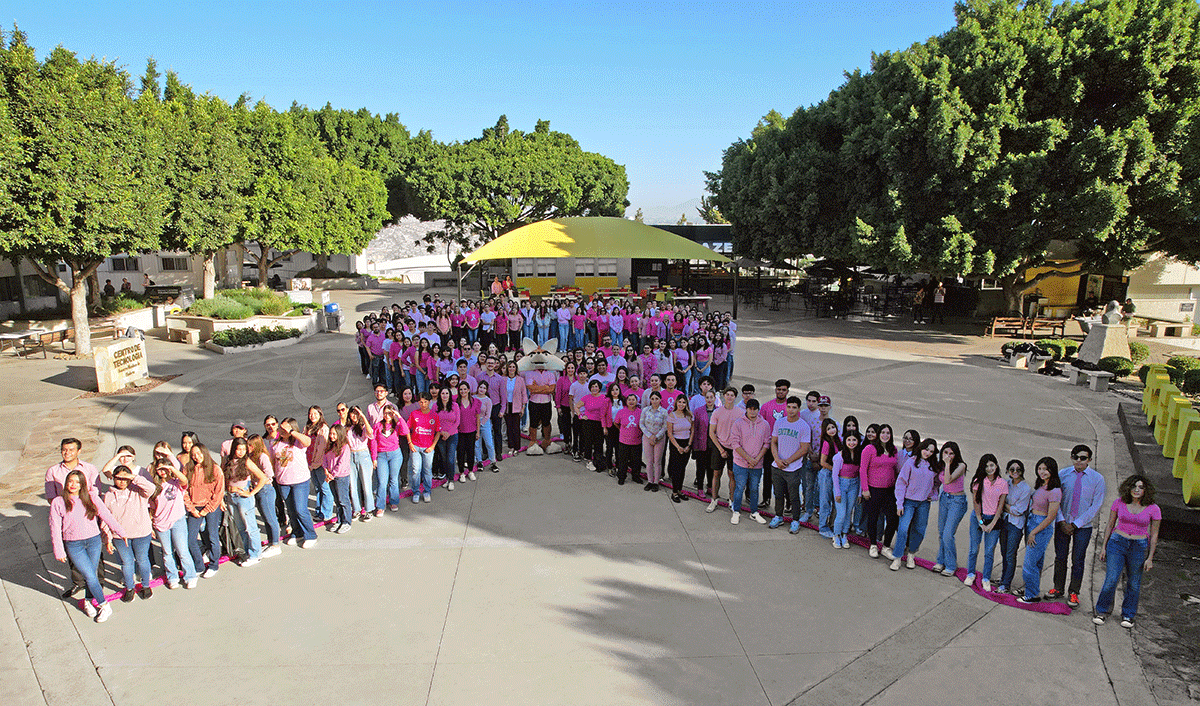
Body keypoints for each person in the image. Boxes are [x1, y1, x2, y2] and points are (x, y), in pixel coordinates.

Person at [50, 470, 127, 622]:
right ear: (66, 483)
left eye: (77, 482)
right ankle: (105, 606)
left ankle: (87, 601)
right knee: (90, 576)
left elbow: (106, 515)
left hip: (93, 541)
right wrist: (59, 550)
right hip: (73, 545)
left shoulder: (91, 497)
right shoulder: (58, 502)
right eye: (70, 481)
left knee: (92, 575)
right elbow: (54, 527)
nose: (73, 485)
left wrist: (120, 531)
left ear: (82, 484)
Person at [1093, 475, 1159, 628]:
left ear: (1146, 490)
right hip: (1117, 543)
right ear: (1128, 488)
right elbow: (1110, 525)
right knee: (1111, 579)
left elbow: (1155, 534)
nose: (1137, 490)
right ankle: (1102, 611)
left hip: (1139, 546)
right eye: (1134, 486)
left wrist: (1150, 557)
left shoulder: (1153, 508)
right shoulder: (1119, 503)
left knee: (1134, 583)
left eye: (1141, 487)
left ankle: (1128, 615)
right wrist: (1104, 546)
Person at [1050, 444, 1106, 608]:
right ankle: (1058, 588)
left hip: (1083, 526)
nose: (1079, 461)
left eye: (1083, 458)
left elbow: (1096, 506)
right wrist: (1061, 521)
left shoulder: (1097, 479)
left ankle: (1074, 592)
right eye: (1075, 457)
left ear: (1089, 459)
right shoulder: (1063, 474)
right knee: (1060, 557)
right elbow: (1056, 499)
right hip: (1063, 523)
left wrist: (1076, 524)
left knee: (1078, 560)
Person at [45, 437, 102, 599]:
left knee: (95, 554)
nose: (67, 452)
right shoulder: (53, 471)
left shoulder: (90, 469)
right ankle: (79, 583)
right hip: (67, 519)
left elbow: (96, 493)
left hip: (88, 515)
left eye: (71, 449)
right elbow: (51, 497)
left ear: (79, 451)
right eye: (64, 449)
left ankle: (98, 583)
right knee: (74, 554)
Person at [100, 465, 155, 602]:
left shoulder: (139, 491)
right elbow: (106, 518)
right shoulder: (108, 496)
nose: (122, 481)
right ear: (113, 478)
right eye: (119, 478)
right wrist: (107, 539)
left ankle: (146, 586)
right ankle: (130, 588)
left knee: (142, 560)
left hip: (141, 533)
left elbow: (151, 488)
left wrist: (133, 477)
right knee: (127, 563)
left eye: (125, 478)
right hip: (120, 536)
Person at [1018, 458, 1062, 604]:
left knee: (1029, 563)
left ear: (1052, 470)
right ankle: (1032, 589)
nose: (1042, 472)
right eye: (1040, 468)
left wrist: (1034, 532)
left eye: (1046, 469)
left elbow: (1051, 517)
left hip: (1041, 526)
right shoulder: (1041, 485)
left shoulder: (1055, 491)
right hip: (1032, 521)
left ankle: (1031, 595)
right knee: (1036, 562)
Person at [892, 438, 940, 571]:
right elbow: (901, 482)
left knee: (919, 530)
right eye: (926, 449)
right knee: (903, 529)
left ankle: (911, 554)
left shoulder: (934, 466)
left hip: (924, 503)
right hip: (908, 501)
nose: (928, 453)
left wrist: (934, 495)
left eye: (931, 451)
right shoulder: (911, 462)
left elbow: (936, 483)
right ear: (921, 448)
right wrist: (899, 504)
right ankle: (897, 557)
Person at [149, 459, 197, 589]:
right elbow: (151, 508)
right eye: (160, 469)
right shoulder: (153, 486)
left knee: (182, 550)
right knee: (167, 552)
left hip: (178, 521)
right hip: (160, 523)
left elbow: (184, 480)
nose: (163, 471)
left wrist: (170, 468)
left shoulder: (176, 483)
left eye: (165, 469)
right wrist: (151, 525)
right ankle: (172, 576)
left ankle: (190, 576)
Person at [965, 453, 1008, 592]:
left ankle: (986, 578)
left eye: (992, 465)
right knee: (973, 548)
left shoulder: (1002, 483)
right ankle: (970, 573)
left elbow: (1000, 507)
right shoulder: (978, 481)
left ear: (996, 465)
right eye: (986, 466)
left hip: (993, 520)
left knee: (989, 551)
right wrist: (981, 523)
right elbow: (976, 504)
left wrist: (992, 524)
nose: (989, 468)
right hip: (979, 518)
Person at [272, 418, 317, 548]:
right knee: (291, 510)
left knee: (300, 509)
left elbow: (308, 441)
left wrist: (291, 432)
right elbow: (272, 460)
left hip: (299, 481)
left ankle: (310, 535)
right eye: (280, 428)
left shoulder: (298, 442)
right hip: (283, 482)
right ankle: (297, 532)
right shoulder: (276, 444)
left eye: (284, 429)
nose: (281, 431)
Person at [223, 438, 267, 566]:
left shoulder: (247, 462)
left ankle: (255, 554)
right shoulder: (228, 461)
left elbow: (262, 477)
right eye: (239, 449)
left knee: (250, 527)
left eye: (244, 449)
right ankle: (247, 551)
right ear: (234, 449)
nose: (241, 452)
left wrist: (251, 493)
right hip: (231, 497)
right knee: (240, 527)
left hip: (243, 498)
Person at [769, 396, 811, 534]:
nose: (791, 410)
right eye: (789, 407)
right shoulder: (779, 422)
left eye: (794, 407)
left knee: (793, 496)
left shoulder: (803, 426)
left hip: (793, 468)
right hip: (777, 466)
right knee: (778, 493)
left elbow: (804, 449)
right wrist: (777, 459)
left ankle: (795, 520)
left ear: (799, 409)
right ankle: (778, 516)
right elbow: (773, 442)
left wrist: (788, 461)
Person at [183, 443, 224, 578]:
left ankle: (214, 564)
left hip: (211, 507)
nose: (196, 457)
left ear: (205, 453)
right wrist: (192, 509)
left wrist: (207, 510)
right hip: (195, 507)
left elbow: (218, 493)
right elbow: (184, 491)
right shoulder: (188, 469)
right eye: (193, 454)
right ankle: (199, 565)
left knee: (212, 535)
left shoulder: (215, 469)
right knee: (190, 539)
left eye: (199, 453)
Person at [727, 398, 770, 525]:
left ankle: (754, 512)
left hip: (757, 464)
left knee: (754, 488)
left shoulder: (765, 424)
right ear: (746, 409)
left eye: (755, 409)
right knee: (739, 487)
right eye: (750, 409)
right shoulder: (738, 423)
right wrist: (749, 459)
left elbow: (766, 443)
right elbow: (735, 443)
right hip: (740, 463)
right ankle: (736, 511)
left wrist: (756, 460)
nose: (752, 411)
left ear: (758, 410)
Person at [860, 425, 900, 558]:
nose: (885, 435)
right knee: (873, 517)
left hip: (889, 490)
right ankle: (872, 544)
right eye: (883, 432)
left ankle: (886, 546)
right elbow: (863, 470)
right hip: (874, 489)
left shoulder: (893, 449)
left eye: (888, 433)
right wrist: (865, 489)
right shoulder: (869, 449)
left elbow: (895, 469)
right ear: (878, 434)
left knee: (892, 519)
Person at [932, 441, 968, 577]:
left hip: (957, 501)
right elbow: (937, 481)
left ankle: (951, 564)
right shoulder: (941, 466)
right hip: (945, 499)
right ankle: (940, 561)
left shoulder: (961, 466)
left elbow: (947, 480)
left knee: (948, 533)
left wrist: (947, 464)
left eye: (951, 453)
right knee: (941, 532)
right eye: (946, 453)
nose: (948, 456)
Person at [996, 459, 1031, 594]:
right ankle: (1004, 577)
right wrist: (1006, 507)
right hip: (1004, 521)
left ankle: (1006, 584)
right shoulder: (1006, 483)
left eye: (1018, 469)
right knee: (1004, 552)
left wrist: (1003, 506)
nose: (1015, 472)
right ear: (1007, 471)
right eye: (1012, 469)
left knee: (1010, 554)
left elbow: (1019, 510)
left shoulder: (1025, 488)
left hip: (1015, 525)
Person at [706, 387, 740, 513]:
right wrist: (721, 449)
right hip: (719, 446)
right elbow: (711, 432)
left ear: (735, 397)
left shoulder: (740, 413)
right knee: (716, 474)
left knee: (732, 475)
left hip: (734, 449)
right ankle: (714, 500)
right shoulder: (717, 412)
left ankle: (731, 501)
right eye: (727, 394)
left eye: (732, 395)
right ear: (724, 396)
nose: (729, 397)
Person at [408, 392, 440, 503]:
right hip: (416, 447)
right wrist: (410, 443)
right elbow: (407, 429)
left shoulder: (434, 415)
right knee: (416, 470)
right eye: (421, 402)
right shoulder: (414, 414)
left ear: (429, 402)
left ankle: (427, 491)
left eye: (425, 402)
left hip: (428, 448)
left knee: (427, 470)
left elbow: (438, 432)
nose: (423, 404)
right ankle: (416, 492)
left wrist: (432, 446)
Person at [831, 431, 862, 548]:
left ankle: (845, 534)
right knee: (841, 512)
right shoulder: (839, 456)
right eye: (849, 440)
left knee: (849, 512)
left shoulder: (859, 456)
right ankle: (836, 534)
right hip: (841, 485)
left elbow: (860, 475)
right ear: (845, 441)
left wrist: (859, 493)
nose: (851, 443)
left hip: (854, 485)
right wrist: (837, 492)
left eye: (854, 440)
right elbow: (834, 476)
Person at [323, 424, 355, 533]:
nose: (331, 436)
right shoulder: (330, 446)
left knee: (343, 499)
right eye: (330, 434)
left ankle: (347, 522)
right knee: (337, 500)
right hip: (331, 476)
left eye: (333, 434)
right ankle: (339, 520)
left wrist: (332, 475)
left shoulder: (345, 447)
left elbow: (341, 463)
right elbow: (325, 459)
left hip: (341, 477)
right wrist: (326, 471)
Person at [304, 406, 333, 524]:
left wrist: (314, 464)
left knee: (325, 488)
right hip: (310, 463)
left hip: (320, 464)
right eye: (310, 414)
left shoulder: (323, 428)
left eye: (315, 414)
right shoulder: (307, 428)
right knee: (317, 488)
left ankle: (327, 513)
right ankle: (319, 510)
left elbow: (321, 449)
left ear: (320, 414)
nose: (312, 416)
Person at [665, 394, 693, 502]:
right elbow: (670, 433)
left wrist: (689, 445)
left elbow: (692, 431)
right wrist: (678, 447)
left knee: (683, 469)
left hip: (687, 443)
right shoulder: (672, 416)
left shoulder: (689, 415)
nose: (681, 404)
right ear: (676, 403)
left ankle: (680, 490)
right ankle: (675, 492)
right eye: (680, 402)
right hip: (676, 444)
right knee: (676, 469)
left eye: (684, 402)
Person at [435, 385, 461, 490]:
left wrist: (448, 433)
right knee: (444, 458)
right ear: (439, 395)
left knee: (450, 458)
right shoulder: (435, 406)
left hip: (452, 435)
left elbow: (457, 421)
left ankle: (451, 480)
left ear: (449, 395)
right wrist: (441, 432)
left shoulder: (455, 406)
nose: (445, 395)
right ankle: (447, 477)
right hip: (440, 436)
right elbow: (433, 421)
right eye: (442, 393)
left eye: (447, 393)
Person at [614, 393, 643, 485]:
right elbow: (616, 423)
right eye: (629, 400)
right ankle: (621, 477)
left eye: (633, 400)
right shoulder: (621, 412)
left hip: (636, 441)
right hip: (624, 441)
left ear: (636, 401)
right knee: (623, 461)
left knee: (636, 461)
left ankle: (636, 476)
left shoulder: (640, 412)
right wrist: (622, 430)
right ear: (626, 401)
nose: (631, 401)